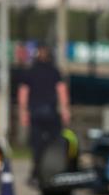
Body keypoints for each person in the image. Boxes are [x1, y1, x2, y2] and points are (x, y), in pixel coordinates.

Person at [18, 44, 70, 184]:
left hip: (35, 112)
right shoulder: (54, 71)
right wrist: (65, 110)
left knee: (36, 145)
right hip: (50, 112)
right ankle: (54, 171)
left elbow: (23, 94)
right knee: (55, 142)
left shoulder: (30, 72)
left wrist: (23, 113)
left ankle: (36, 172)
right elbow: (62, 91)